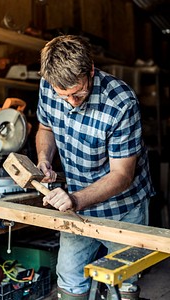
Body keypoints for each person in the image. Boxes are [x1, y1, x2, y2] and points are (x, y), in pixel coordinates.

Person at [35, 35, 155, 300]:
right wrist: (44, 158)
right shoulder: (48, 84)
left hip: (123, 205)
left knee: (123, 280)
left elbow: (122, 175)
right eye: (63, 95)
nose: (72, 102)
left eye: (78, 93)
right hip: (77, 205)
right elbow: (45, 128)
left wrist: (75, 199)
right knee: (69, 276)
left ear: (90, 71)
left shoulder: (121, 102)